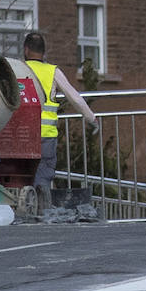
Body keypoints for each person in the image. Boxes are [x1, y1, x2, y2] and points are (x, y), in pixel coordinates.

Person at [23, 31, 97, 208]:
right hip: (46, 136)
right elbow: (75, 98)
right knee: (43, 177)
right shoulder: (52, 72)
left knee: (21, 174)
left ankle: (24, 209)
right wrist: (91, 118)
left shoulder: (18, 69)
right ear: (44, 52)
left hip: (22, 135)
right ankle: (42, 212)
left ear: (26, 50)